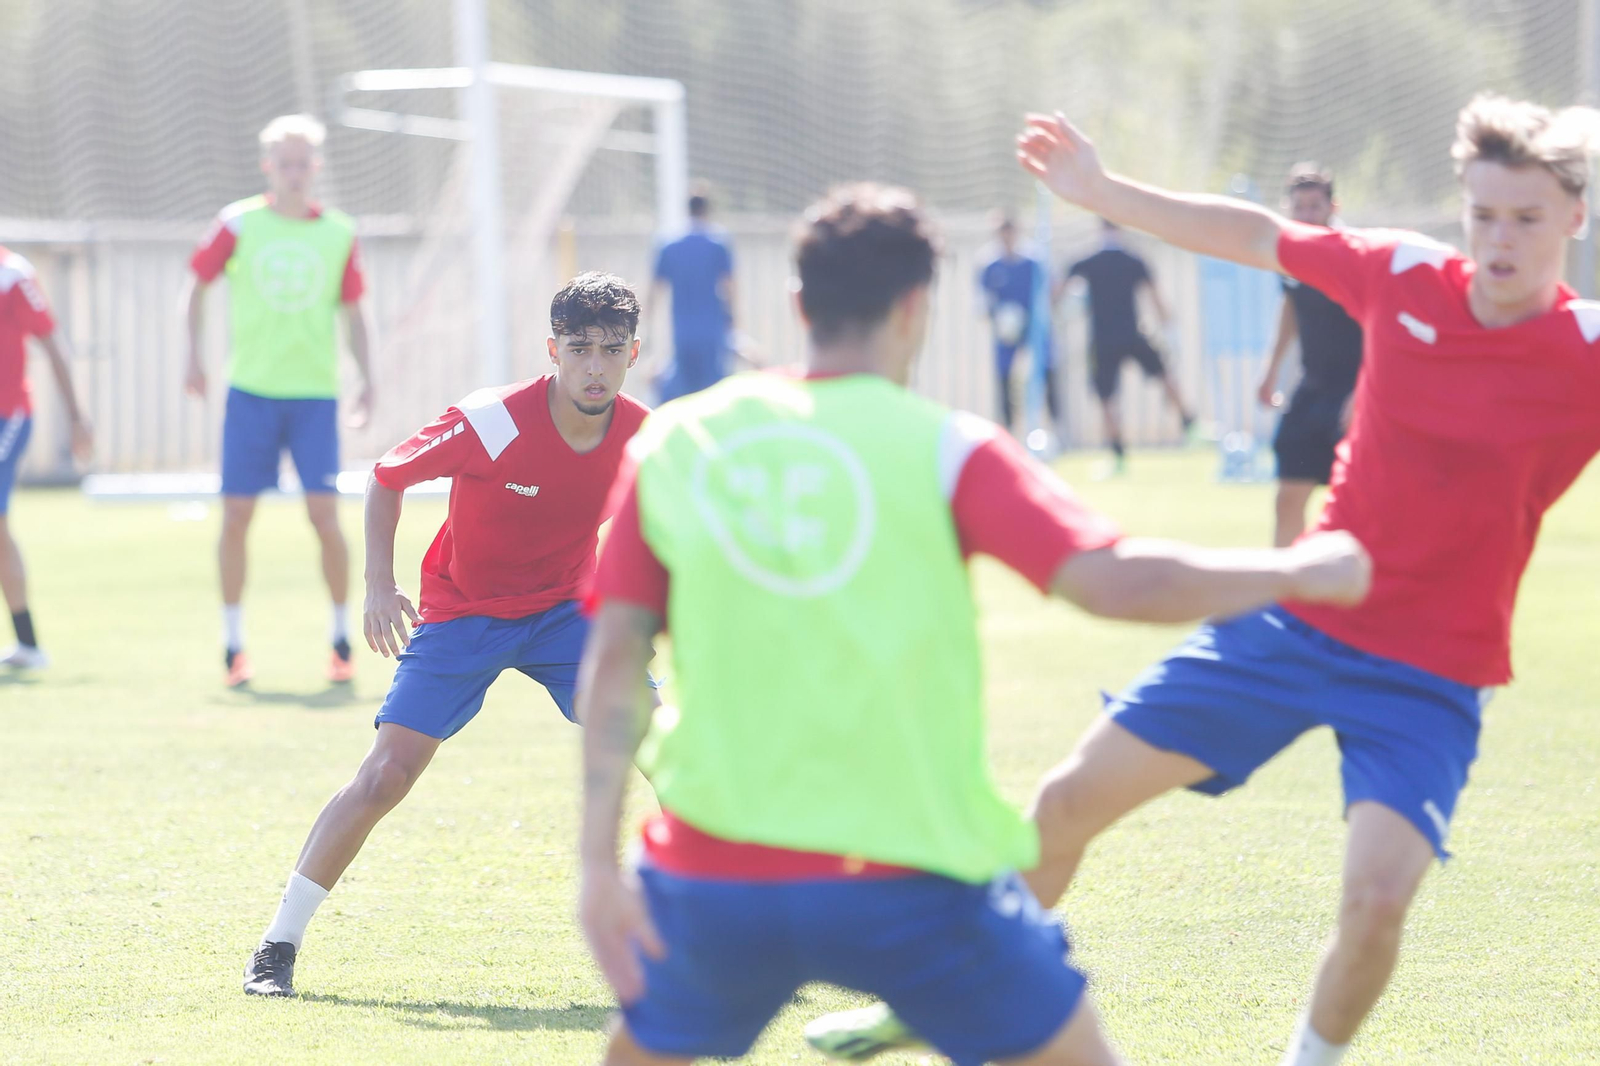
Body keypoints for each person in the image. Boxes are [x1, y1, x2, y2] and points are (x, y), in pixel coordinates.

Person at [808, 95, 1600, 1066]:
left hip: (1431, 673)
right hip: (1296, 621)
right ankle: (924, 1006)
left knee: (1376, 903)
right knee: (1061, 806)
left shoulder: (1586, 354)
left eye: (1525, 218)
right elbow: (1258, 234)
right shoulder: (1400, 273)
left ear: (1574, 218)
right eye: (1482, 214)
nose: (1498, 240)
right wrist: (1101, 190)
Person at [576, 182, 1370, 1066]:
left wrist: (594, 867)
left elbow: (614, 664)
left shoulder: (678, 443)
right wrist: (1296, 569)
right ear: (918, 305)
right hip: (914, 880)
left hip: (713, 878)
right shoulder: (948, 445)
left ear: (799, 304)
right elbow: (1112, 581)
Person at [242, 273, 651, 998]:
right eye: (580, 349)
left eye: (611, 351)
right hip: (465, 612)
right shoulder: (491, 421)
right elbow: (389, 477)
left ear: (633, 354)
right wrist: (377, 582)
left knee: (668, 747)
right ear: (552, 350)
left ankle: (741, 935)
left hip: (567, 612)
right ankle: (278, 944)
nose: (595, 365)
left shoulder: (646, 435)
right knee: (387, 775)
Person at [183, 113, 375, 688]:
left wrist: (369, 376)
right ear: (269, 166)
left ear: (316, 167)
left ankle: (341, 639)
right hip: (251, 395)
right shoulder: (238, 224)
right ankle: (233, 644)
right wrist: (191, 356)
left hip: (315, 396)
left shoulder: (339, 231)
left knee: (324, 515)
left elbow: (354, 311)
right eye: (284, 164)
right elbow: (194, 285)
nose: (295, 174)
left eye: (303, 164)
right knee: (237, 515)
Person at [1257, 165, 1365, 546]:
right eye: (1299, 207)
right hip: (1312, 389)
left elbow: (1378, 326)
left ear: (1332, 206)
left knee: (1357, 503)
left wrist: (1365, 392)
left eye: (1314, 206)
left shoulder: (1353, 257)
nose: (1306, 215)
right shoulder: (1290, 256)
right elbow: (1290, 309)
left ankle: (1359, 592)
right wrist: (1270, 370)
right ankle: (1283, 593)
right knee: (1288, 495)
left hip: (1355, 395)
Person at [0, 248, 93, 669]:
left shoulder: (12, 275)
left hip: (8, 416)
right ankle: (28, 645)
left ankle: (29, 645)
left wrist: (76, 417)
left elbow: (52, 344)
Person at [1061, 219, 1194, 474]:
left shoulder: (1087, 261)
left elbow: (1057, 293)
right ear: (1120, 228)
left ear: (1100, 228)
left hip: (1102, 340)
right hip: (1133, 333)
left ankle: (1118, 456)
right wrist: (1169, 328)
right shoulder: (1134, 260)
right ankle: (1190, 424)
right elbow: (1157, 299)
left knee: (1107, 398)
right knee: (1164, 374)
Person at [648, 192, 735, 403]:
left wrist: (645, 324)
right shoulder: (718, 243)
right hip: (712, 330)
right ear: (707, 210)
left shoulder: (669, 244)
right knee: (713, 395)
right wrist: (733, 318)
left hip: (682, 331)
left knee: (679, 395)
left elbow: (655, 289)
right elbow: (730, 286)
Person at [978, 214, 1060, 435]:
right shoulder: (989, 265)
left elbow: (1052, 290)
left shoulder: (1034, 261)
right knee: (1005, 378)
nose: (1007, 239)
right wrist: (999, 318)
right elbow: (983, 302)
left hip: (1035, 327)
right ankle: (1010, 430)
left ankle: (1057, 430)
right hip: (1007, 332)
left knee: (1048, 371)